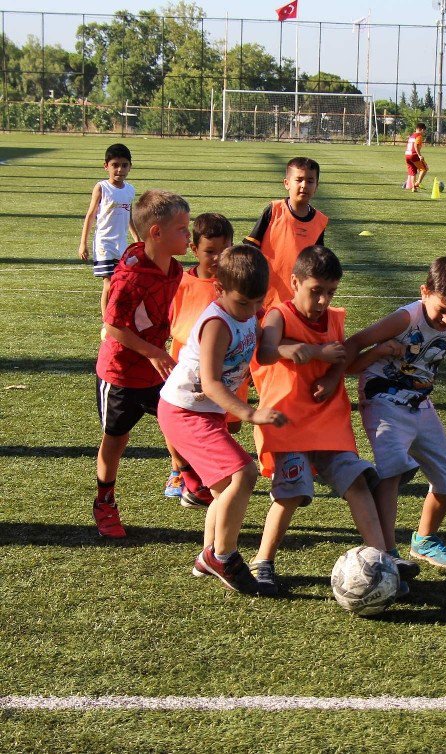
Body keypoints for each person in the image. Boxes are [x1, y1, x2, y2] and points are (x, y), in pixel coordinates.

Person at [248, 245, 420, 593]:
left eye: (330, 292)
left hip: (329, 423)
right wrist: (308, 351)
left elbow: (344, 362)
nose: (324, 300)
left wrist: (346, 368)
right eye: (316, 291)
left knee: (357, 481)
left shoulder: (335, 319)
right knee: (292, 492)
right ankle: (262, 562)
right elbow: (265, 352)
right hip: (288, 424)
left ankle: (385, 558)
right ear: (295, 282)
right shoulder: (278, 315)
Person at [344, 257, 446, 568]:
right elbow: (355, 342)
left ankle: (424, 539)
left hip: (420, 404)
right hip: (381, 398)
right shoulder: (405, 319)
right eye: (443, 309)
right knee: (392, 471)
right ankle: (387, 554)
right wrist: (340, 373)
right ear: (424, 292)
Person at [158, 245, 287, 595]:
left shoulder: (247, 314)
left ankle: (207, 557)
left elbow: (261, 348)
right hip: (184, 411)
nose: (252, 310)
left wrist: (295, 351)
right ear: (219, 290)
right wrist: (250, 412)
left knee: (224, 492)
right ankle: (224, 555)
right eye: (244, 303)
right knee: (243, 473)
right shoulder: (216, 323)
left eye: (258, 302)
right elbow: (212, 383)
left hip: (203, 412)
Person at [93, 190, 190, 538]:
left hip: (155, 368)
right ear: (156, 233)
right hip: (120, 374)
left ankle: (186, 475)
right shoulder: (130, 277)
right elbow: (114, 325)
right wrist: (152, 351)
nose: (188, 235)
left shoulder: (175, 269)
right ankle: (105, 502)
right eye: (182, 228)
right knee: (116, 440)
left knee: (179, 414)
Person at [163, 212, 236, 506]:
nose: (218, 258)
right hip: (183, 362)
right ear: (194, 250)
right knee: (181, 420)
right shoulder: (180, 280)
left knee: (225, 425)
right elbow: (167, 317)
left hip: (228, 368)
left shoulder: (234, 283)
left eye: (224, 250)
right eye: (210, 251)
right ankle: (181, 471)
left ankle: (206, 470)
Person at [245, 157, 327, 308]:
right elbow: (251, 247)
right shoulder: (274, 210)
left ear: (316, 186)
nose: (304, 185)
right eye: (299, 179)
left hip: (298, 299)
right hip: (265, 295)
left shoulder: (320, 221)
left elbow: (317, 261)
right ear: (287, 183)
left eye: (310, 181)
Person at [77, 143, 139, 318]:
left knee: (122, 283)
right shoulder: (102, 188)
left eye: (124, 165)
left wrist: (137, 240)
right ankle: (107, 322)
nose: (120, 169)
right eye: (115, 165)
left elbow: (129, 216)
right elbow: (90, 215)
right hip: (104, 244)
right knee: (109, 283)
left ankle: (117, 316)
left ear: (130, 167)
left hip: (122, 245)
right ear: (106, 166)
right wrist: (83, 244)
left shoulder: (130, 190)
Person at [404, 123, 428, 192]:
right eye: (424, 131)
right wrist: (419, 155)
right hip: (414, 154)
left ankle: (414, 188)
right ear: (422, 129)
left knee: (413, 172)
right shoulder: (419, 136)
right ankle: (417, 183)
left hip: (407, 155)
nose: (424, 132)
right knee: (424, 169)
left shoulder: (412, 136)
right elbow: (416, 145)